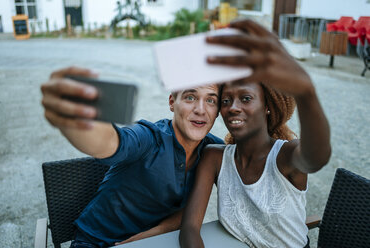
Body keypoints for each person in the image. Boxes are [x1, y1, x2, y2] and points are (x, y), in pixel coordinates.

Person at [179, 19, 331, 248]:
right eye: (226, 100)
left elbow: (317, 157)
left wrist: (306, 93)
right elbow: (190, 228)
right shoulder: (215, 159)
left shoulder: (285, 156)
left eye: (246, 98)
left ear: (268, 106)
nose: (233, 107)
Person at [40, 67, 223, 247]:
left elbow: (189, 207)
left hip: (154, 241)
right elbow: (112, 142)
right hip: (95, 242)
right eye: (190, 97)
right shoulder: (149, 137)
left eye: (211, 100)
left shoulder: (212, 150)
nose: (201, 109)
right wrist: (79, 120)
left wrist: (151, 235)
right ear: (172, 102)